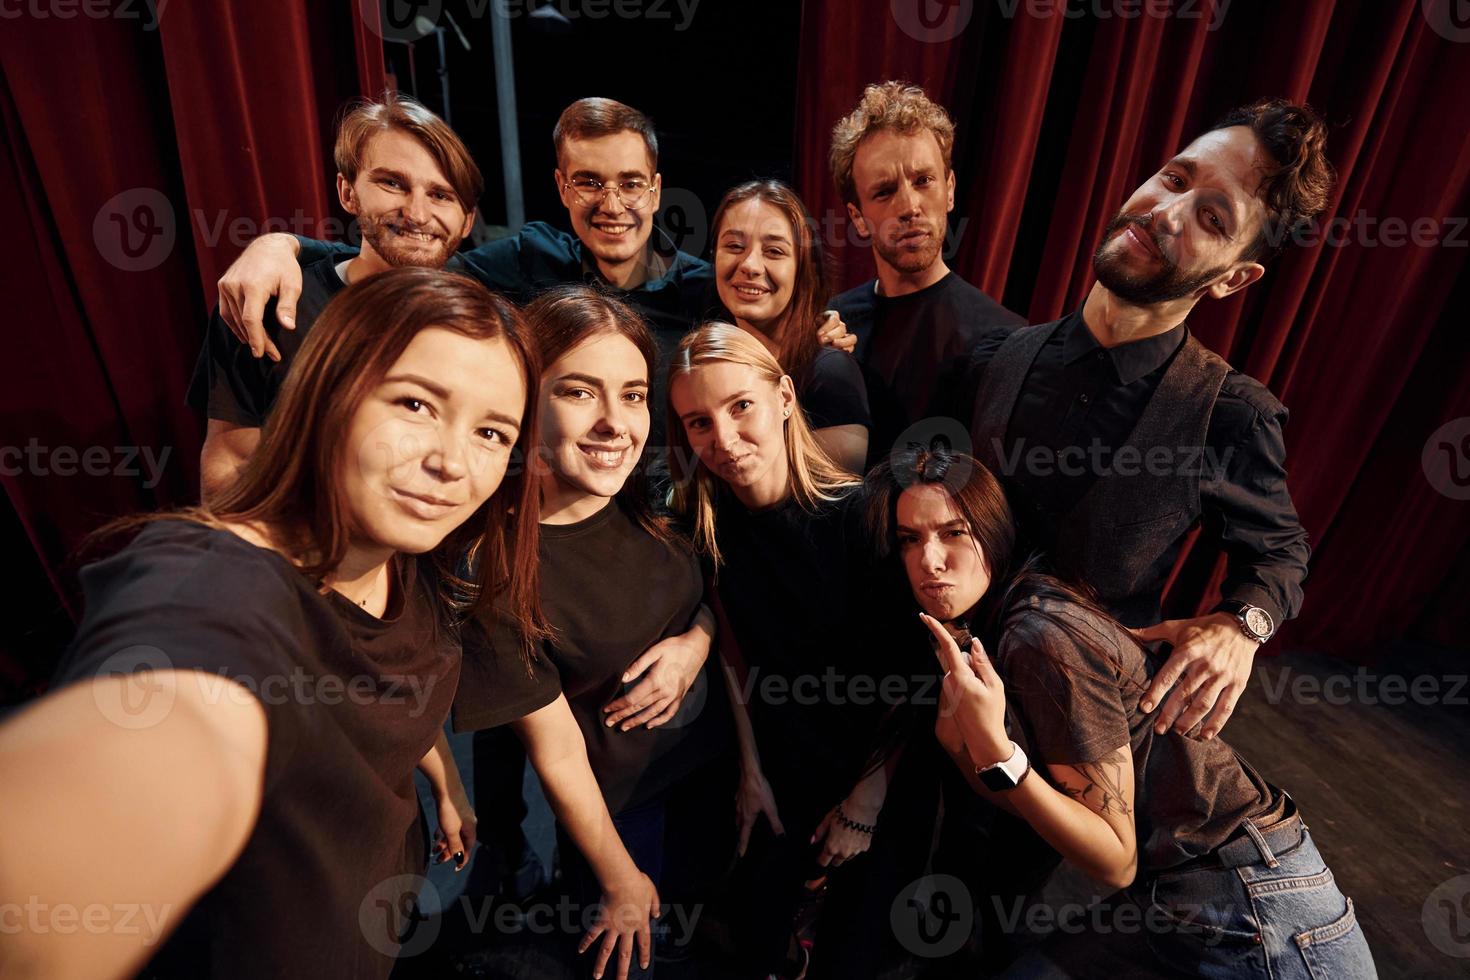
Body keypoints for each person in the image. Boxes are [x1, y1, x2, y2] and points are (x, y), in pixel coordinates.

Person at [0, 267, 544, 980]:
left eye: (492, 432)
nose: (450, 462)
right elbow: (179, 717)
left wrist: (446, 781)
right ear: (326, 395)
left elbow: (382, 687)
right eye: (414, 403)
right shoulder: (213, 584)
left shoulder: (406, 554)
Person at [868, 447, 1376, 979]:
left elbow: (1115, 856)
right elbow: (1058, 812)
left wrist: (996, 754)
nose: (929, 560)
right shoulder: (993, 630)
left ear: (994, 532)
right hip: (1179, 891)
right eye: (911, 539)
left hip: (1257, 903)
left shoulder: (1038, 636)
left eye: (953, 533)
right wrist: (964, 746)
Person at [206, 97, 856, 470]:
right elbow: (407, 256)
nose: (613, 203)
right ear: (560, 187)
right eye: (588, 182)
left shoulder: (701, 290)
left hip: (671, 514)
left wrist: (817, 328)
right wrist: (283, 246)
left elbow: (769, 314)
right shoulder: (526, 258)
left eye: (631, 183)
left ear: (656, 190)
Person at [965, 98, 1330, 741]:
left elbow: (1279, 554)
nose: (1166, 212)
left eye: (1212, 217)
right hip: (936, 696)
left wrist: (1239, 627)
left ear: (1234, 279)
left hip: (1075, 736)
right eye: (1175, 178)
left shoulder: (1231, 415)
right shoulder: (995, 357)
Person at [451, 286, 732, 980]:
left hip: (711, 775)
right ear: (525, 401)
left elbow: (717, 595)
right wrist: (617, 876)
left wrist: (695, 646)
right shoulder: (499, 575)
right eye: (580, 392)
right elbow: (558, 754)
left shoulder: (658, 494)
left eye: (633, 394)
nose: (616, 422)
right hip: (620, 819)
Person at [667, 323, 933, 980]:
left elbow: (915, 672)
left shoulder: (864, 515)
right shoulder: (707, 521)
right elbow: (734, 652)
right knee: (758, 944)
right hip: (780, 768)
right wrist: (751, 769)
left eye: (740, 406)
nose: (723, 440)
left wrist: (866, 804)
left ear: (785, 395)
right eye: (699, 422)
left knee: (852, 954)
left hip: (874, 773)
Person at [188, 93, 483, 497]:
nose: (416, 213)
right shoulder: (269, 303)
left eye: (440, 195)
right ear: (348, 193)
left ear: (466, 220)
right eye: (392, 183)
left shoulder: (486, 320)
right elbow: (231, 462)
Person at [826, 81, 1024, 459]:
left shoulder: (1005, 338)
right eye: (884, 191)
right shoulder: (831, 324)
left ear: (949, 190)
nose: (909, 206)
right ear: (858, 218)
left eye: (923, 181)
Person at [710, 180, 872, 472]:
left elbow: (833, 507)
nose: (750, 265)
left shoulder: (829, 373)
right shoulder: (710, 366)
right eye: (734, 246)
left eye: (774, 251)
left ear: (803, 269)